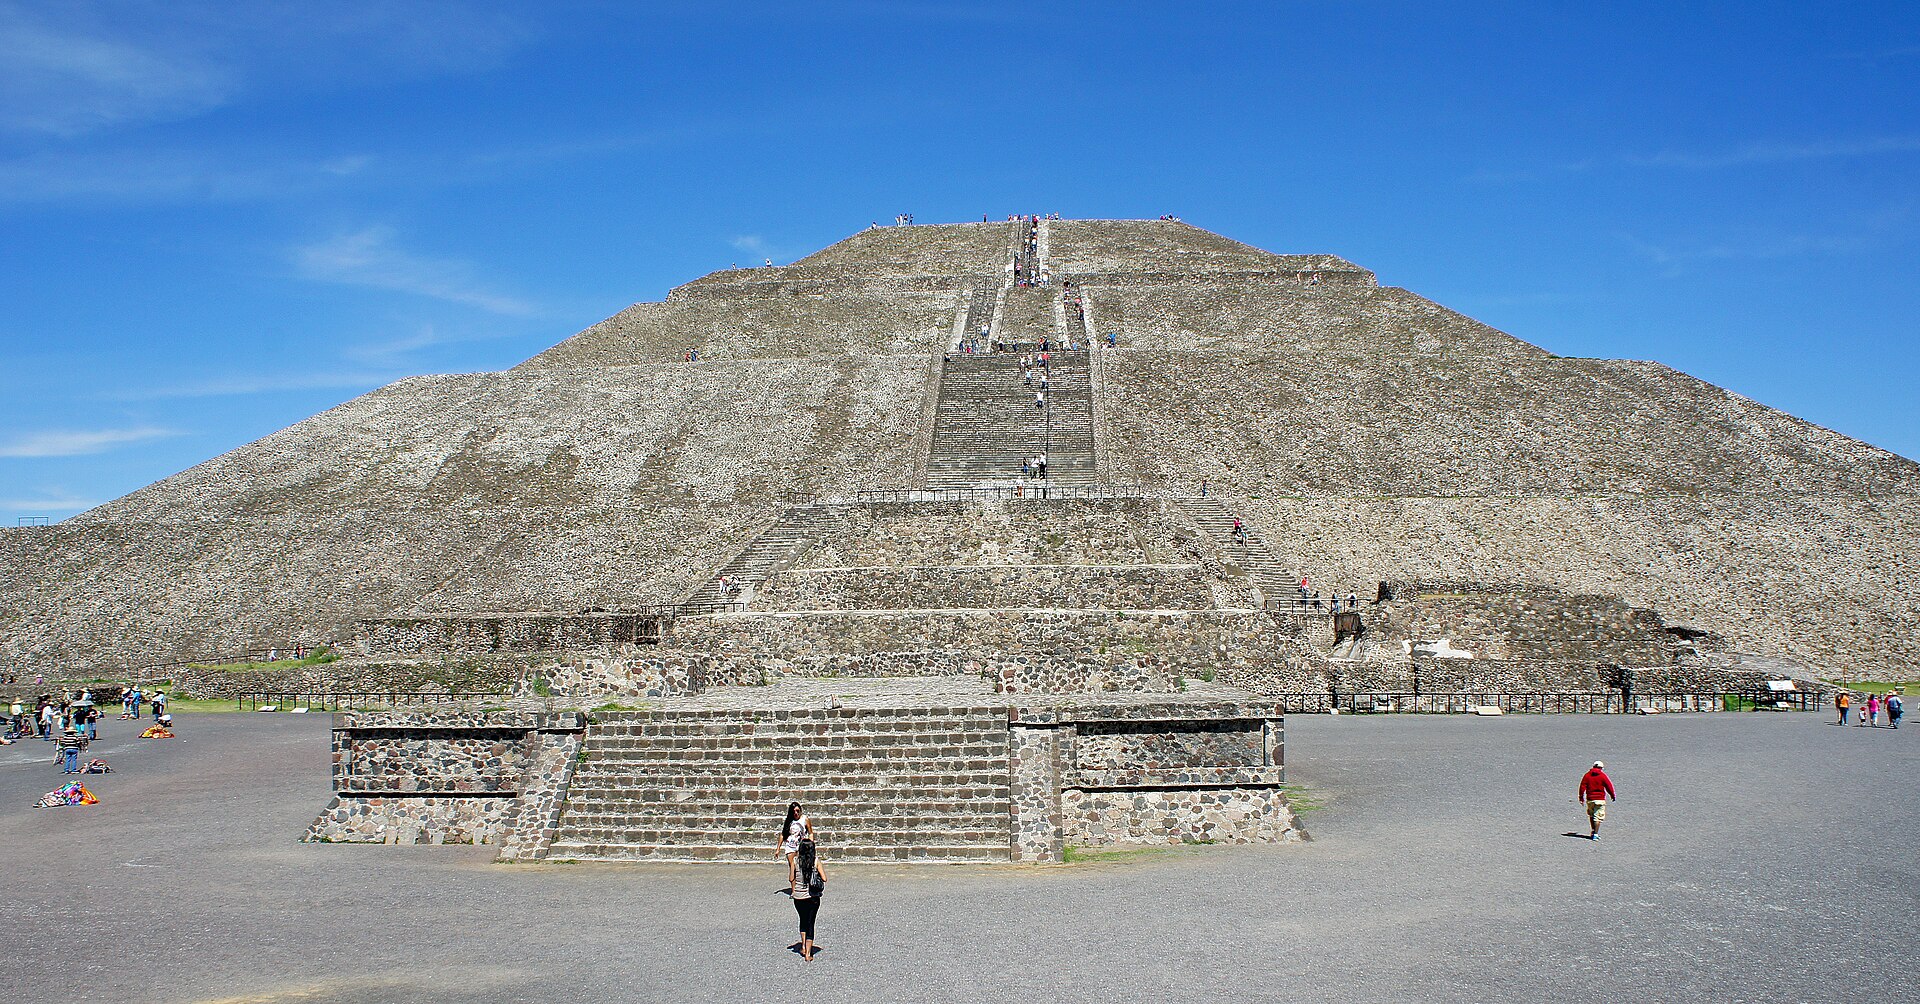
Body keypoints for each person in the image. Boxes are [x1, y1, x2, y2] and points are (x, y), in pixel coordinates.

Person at [790, 837, 827, 961]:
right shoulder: (816, 861)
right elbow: (824, 878)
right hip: (812, 897)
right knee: (811, 923)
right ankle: (808, 954)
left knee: (803, 920)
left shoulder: (795, 861)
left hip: (798, 896)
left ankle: (804, 947)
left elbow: (791, 878)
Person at [1579, 761, 1615, 840]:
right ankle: (1595, 834)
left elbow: (1582, 786)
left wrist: (1581, 797)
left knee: (1592, 815)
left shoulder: (1587, 775)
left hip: (1590, 799)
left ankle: (1593, 831)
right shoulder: (1602, 776)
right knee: (1598, 817)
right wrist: (1612, 795)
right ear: (1601, 768)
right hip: (1600, 799)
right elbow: (1609, 786)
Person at [777, 802, 813, 875]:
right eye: (794, 812)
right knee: (793, 868)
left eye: (797, 811)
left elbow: (810, 833)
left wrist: (811, 845)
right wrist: (778, 849)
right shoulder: (789, 821)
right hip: (790, 846)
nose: (796, 813)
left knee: (803, 867)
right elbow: (783, 834)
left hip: (801, 846)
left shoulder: (805, 819)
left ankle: (802, 884)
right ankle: (794, 886)